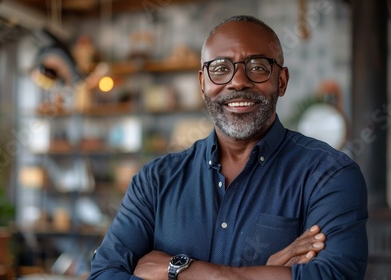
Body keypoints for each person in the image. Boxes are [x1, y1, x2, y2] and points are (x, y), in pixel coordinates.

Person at [89, 15, 368, 280]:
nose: (237, 81)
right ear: (202, 83)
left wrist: (181, 270)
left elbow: (334, 276)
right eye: (220, 68)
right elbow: (104, 273)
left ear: (280, 82)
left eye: (257, 67)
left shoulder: (330, 175)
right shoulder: (155, 180)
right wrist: (267, 271)